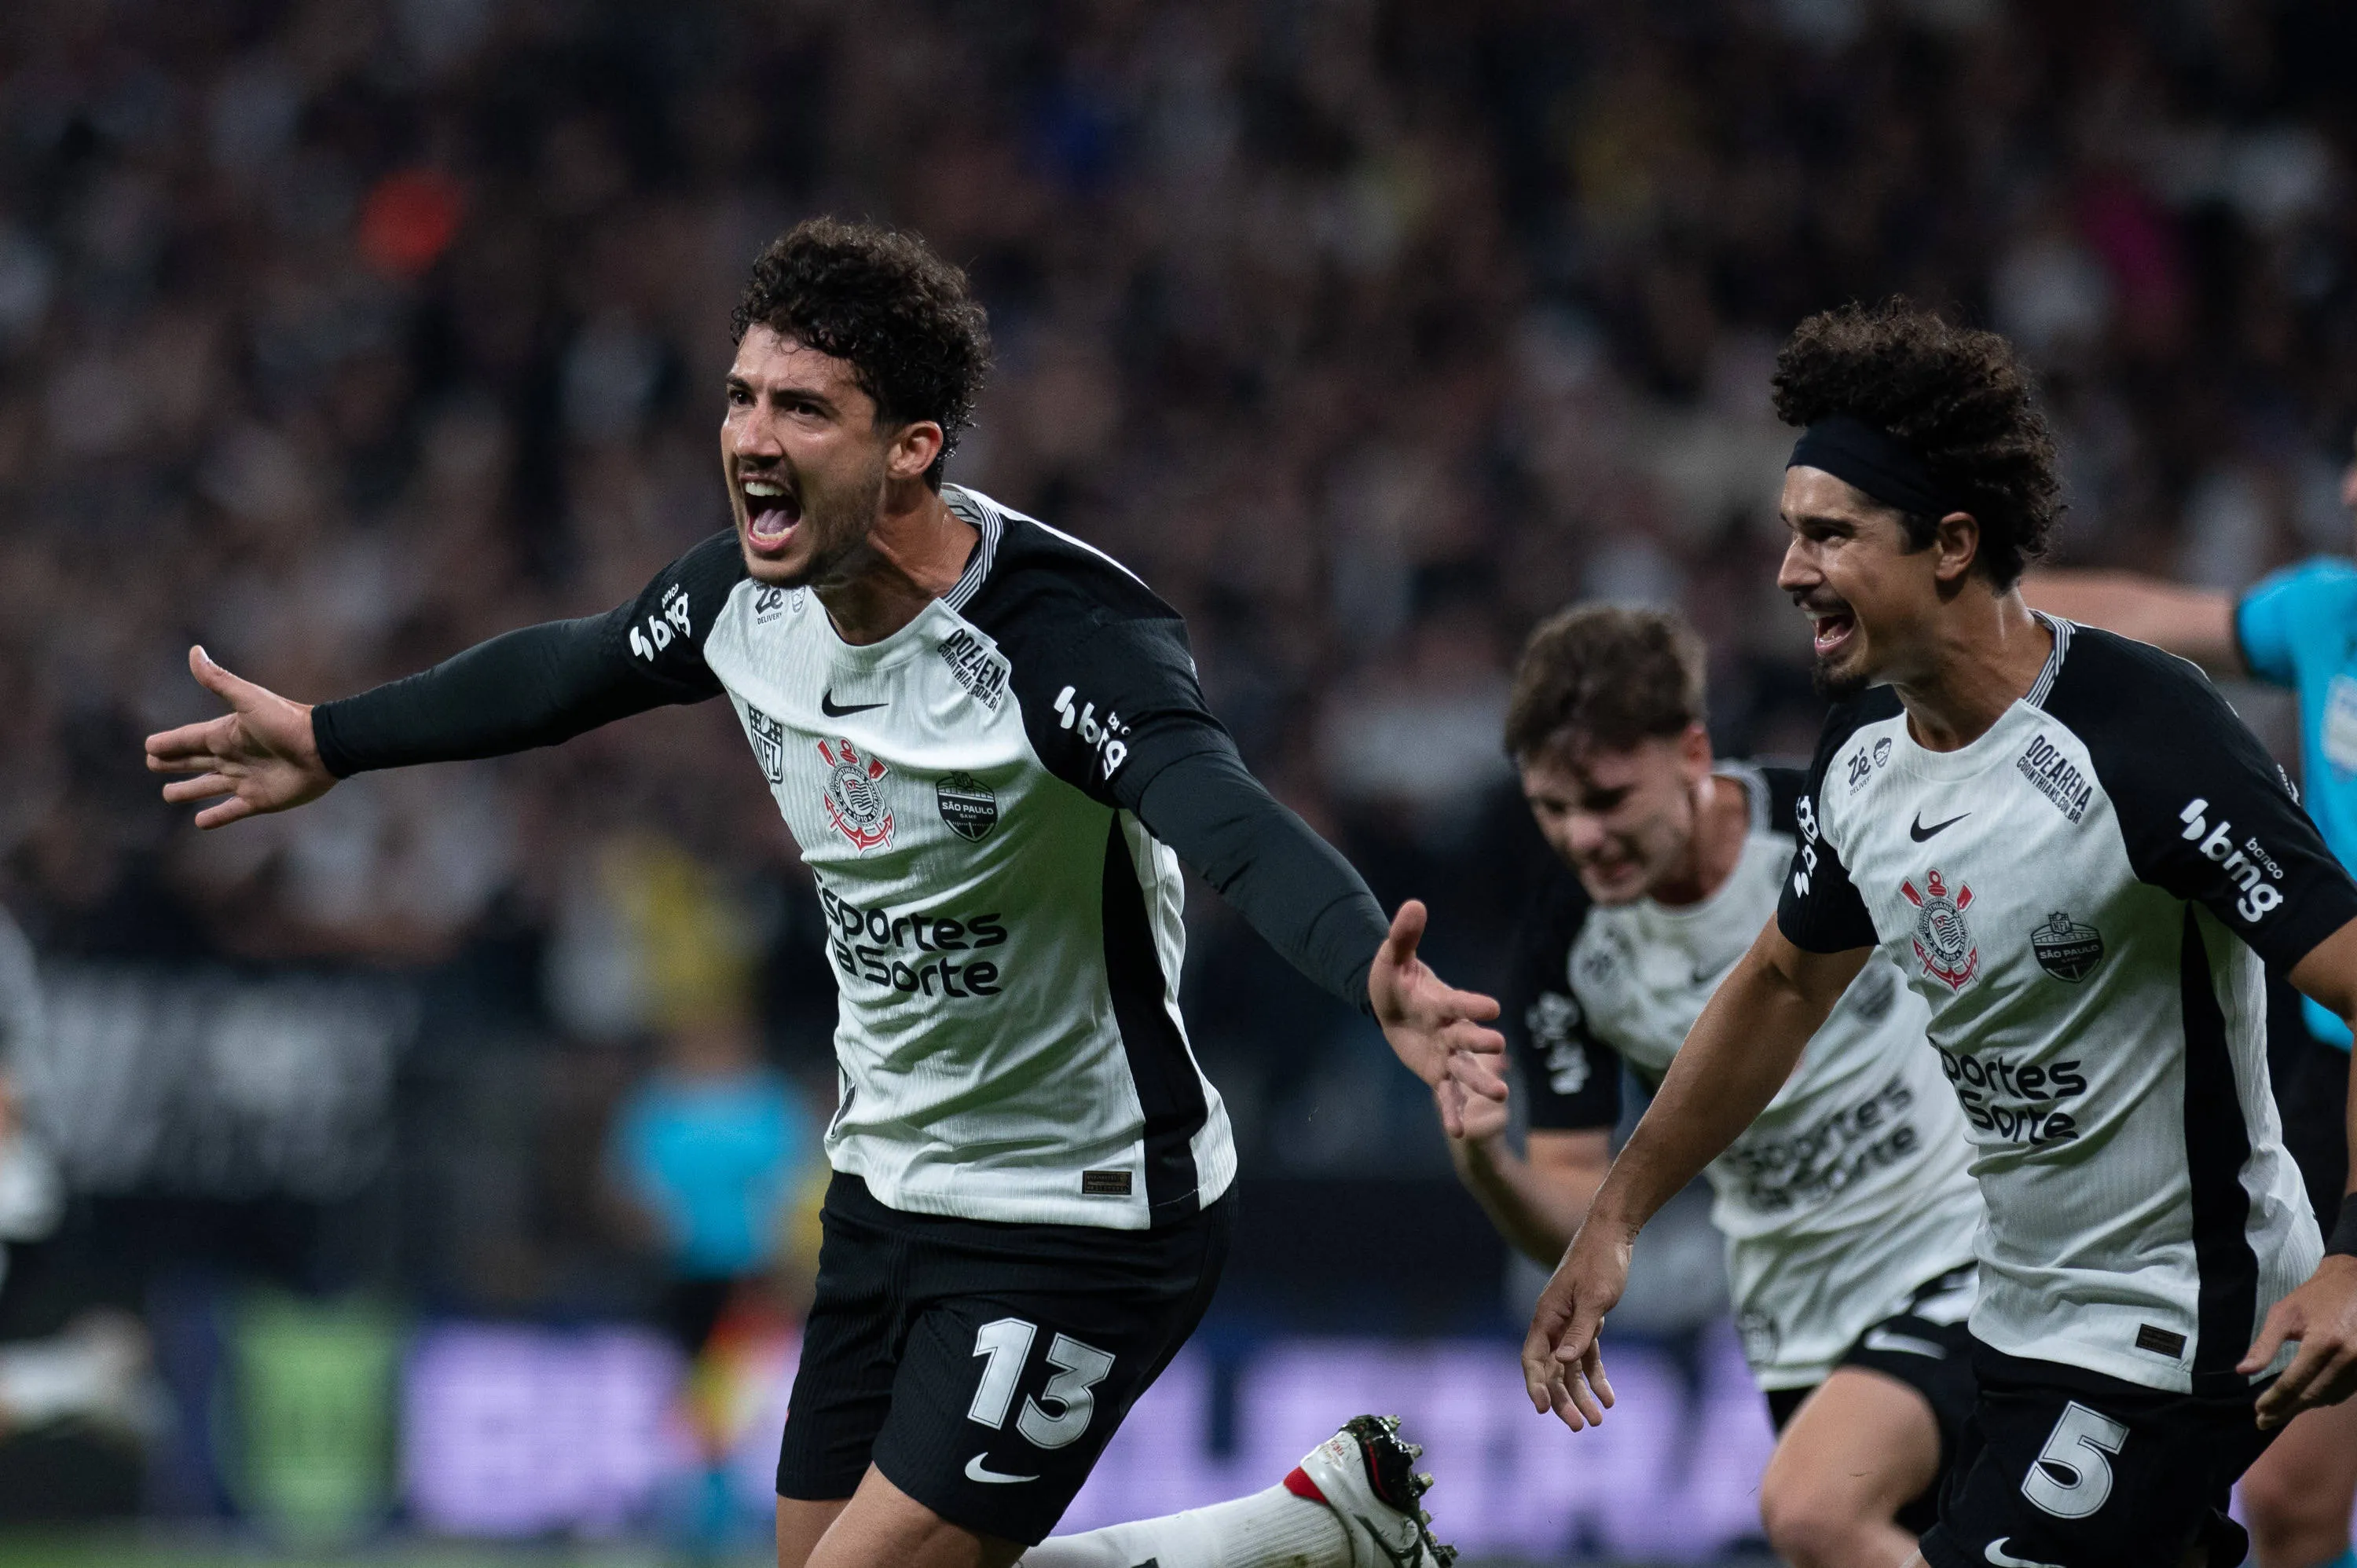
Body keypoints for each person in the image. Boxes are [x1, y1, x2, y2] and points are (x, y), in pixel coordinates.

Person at [145, 218, 1504, 1568]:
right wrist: (332, 739)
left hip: (1084, 1207)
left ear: (911, 445)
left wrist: (1364, 964)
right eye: (742, 397)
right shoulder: (744, 597)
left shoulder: (1060, 639)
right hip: (885, 1187)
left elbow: (1222, 812)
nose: (752, 436)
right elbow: (570, 668)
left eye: (803, 408)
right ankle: (1301, 1538)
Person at [1522, 301, 2357, 1568]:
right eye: (1791, 535)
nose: (1792, 571)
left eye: (1830, 535)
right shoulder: (1863, 752)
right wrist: (1616, 1215)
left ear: (1951, 545)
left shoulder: (2142, 734)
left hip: (2175, 1314)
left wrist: (2355, 1258)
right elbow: (1786, 980)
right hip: (2013, 1311)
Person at [1446, 603, 1983, 1568]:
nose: (1581, 835)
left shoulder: (1834, 822)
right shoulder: (1565, 949)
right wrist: (1486, 1159)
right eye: (1551, 809)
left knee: (1814, 1514)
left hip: (1968, 1249)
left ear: (1692, 752)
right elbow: (1578, 1207)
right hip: (1797, 1319)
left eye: (1607, 798)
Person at [2022, 445, 2357, 1568]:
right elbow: (2144, 612)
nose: (2349, 492)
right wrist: (1971, 614)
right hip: (2327, 1081)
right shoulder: (2325, 612)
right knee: (2295, 1497)